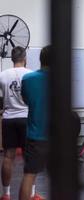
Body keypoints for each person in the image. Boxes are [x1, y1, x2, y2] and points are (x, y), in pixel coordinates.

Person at [0, 46, 34, 200]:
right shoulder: (31, 74)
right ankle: (31, 194)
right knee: (29, 157)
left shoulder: (2, 75)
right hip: (26, 118)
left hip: (8, 119)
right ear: (24, 58)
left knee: (8, 157)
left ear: (12, 59)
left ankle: (6, 194)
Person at [19, 46, 51, 200]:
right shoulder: (61, 80)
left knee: (29, 175)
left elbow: (26, 101)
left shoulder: (28, 79)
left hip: (35, 135)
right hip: (57, 135)